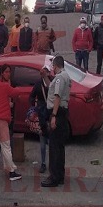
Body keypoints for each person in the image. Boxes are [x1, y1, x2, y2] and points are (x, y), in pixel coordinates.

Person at [41, 56, 71, 188]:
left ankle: (53, 177)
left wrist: (53, 115)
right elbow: (51, 88)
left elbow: (57, 96)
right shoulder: (65, 76)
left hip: (57, 113)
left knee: (54, 147)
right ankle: (59, 175)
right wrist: (45, 77)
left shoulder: (59, 78)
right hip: (62, 113)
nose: (52, 68)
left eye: (53, 66)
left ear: (56, 65)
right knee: (60, 146)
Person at [29, 66, 51, 173]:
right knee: (49, 140)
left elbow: (31, 97)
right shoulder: (53, 82)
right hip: (50, 114)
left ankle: (43, 163)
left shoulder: (38, 84)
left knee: (43, 141)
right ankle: (50, 162)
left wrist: (34, 106)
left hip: (42, 114)